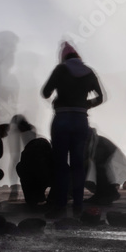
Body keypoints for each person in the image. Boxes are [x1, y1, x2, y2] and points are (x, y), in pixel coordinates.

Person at [41, 42, 106, 216]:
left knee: (61, 163)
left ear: (63, 57)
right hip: (80, 120)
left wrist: (58, 96)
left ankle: (61, 203)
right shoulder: (89, 72)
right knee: (78, 163)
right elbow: (101, 97)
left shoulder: (60, 69)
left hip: (62, 119)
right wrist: (86, 103)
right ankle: (78, 203)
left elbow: (45, 92)